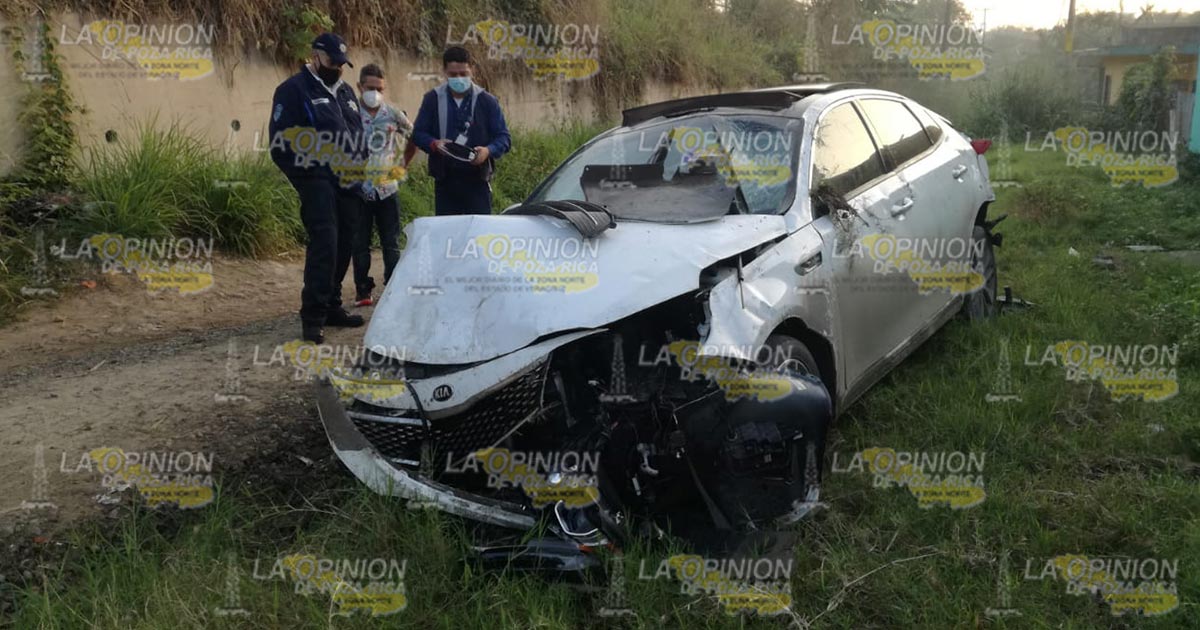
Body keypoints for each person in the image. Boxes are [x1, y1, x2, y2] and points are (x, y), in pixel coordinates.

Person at [268, 33, 366, 343]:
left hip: (349, 178)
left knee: (345, 242)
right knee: (325, 240)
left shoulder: (347, 92)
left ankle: (332, 305)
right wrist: (308, 173)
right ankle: (312, 315)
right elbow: (280, 143)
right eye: (331, 62)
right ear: (315, 57)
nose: (337, 68)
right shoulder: (293, 90)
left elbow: (358, 132)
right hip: (316, 178)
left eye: (341, 64)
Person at [411, 46, 512, 215]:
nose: (458, 79)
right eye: (453, 74)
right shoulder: (432, 99)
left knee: (478, 230)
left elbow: (504, 137)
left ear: (472, 70)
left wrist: (487, 151)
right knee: (449, 229)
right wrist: (434, 144)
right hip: (445, 182)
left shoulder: (487, 101)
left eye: (463, 74)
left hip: (477, 181)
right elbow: (418, 134)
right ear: (444, 72)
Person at [352, 63, 416, 306]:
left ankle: (392, 288)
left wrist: (403, 164)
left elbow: (414, 136)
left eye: (379, 89)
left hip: (387, 188)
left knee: (391, 242)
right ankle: (363, 290)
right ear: (359, 87)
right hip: (359, 189)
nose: (374, 93)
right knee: (360, 243)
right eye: (370, 88)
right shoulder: (350, 112)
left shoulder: (392, 113)